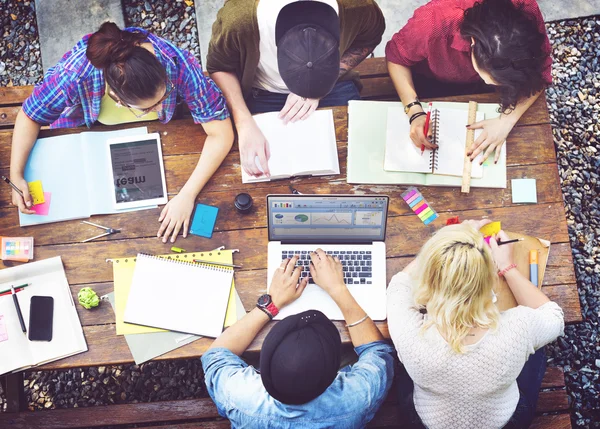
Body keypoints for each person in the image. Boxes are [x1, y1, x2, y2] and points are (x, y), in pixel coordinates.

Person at [10, 22, 233, 244]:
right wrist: (16, 174)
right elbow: (30, 115)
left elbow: (221, 133)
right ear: (117, 99)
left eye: (165, 97)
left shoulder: (177, 63)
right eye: (147, 108)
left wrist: (187, 195)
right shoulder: (74, 74)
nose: (160, 108)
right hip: (83, 128)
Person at [386, 220, 565, 429]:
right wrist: (508, 267)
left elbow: (399, 285)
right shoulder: (519, 327)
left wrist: (445, 243)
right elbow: (554, 316)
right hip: (503, 420)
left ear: (427, 279)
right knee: (538, 348)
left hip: (427, 420)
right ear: (489, 281)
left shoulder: (410, 333)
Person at [201, 251, 395, 428]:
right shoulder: (358, 398)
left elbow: (216, 354)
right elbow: (377, 353)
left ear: (264, 365)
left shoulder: (239, 396)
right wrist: (338, 289)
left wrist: (271, 305)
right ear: (333, 374)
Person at [207, 0, 385, 178]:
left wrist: (324, 81)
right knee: (259, 170)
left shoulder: (358, 6)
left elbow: (369, 38)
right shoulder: (240, 20)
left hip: (333, 85)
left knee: (366, 163)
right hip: (264, 91)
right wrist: (243, 122)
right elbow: (219, 66)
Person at [385, 0, 552, 163]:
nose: (489, 85)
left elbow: (541, 73)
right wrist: (414, 111)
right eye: (489, 78)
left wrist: (506, 121)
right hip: (428, 79)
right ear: (473, 41)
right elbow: (396, 58)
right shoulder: (433, 21)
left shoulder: (525, 10)